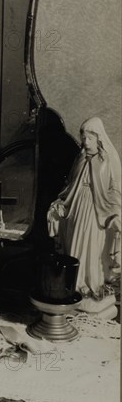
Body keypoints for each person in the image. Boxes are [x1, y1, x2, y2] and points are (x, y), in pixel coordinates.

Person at [47, 117, 121, 300]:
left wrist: (115, 212)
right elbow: (70, 184)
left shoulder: (108, 160)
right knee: (74, 245)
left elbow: (114, 189)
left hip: (97, 211)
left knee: (92, 248)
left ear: (99, 139)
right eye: (84, 138)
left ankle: (91, 285)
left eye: (90, 138)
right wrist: (60, 203)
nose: (85, 142)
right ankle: (74, 284)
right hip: (77, 207)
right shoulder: (80, 158)